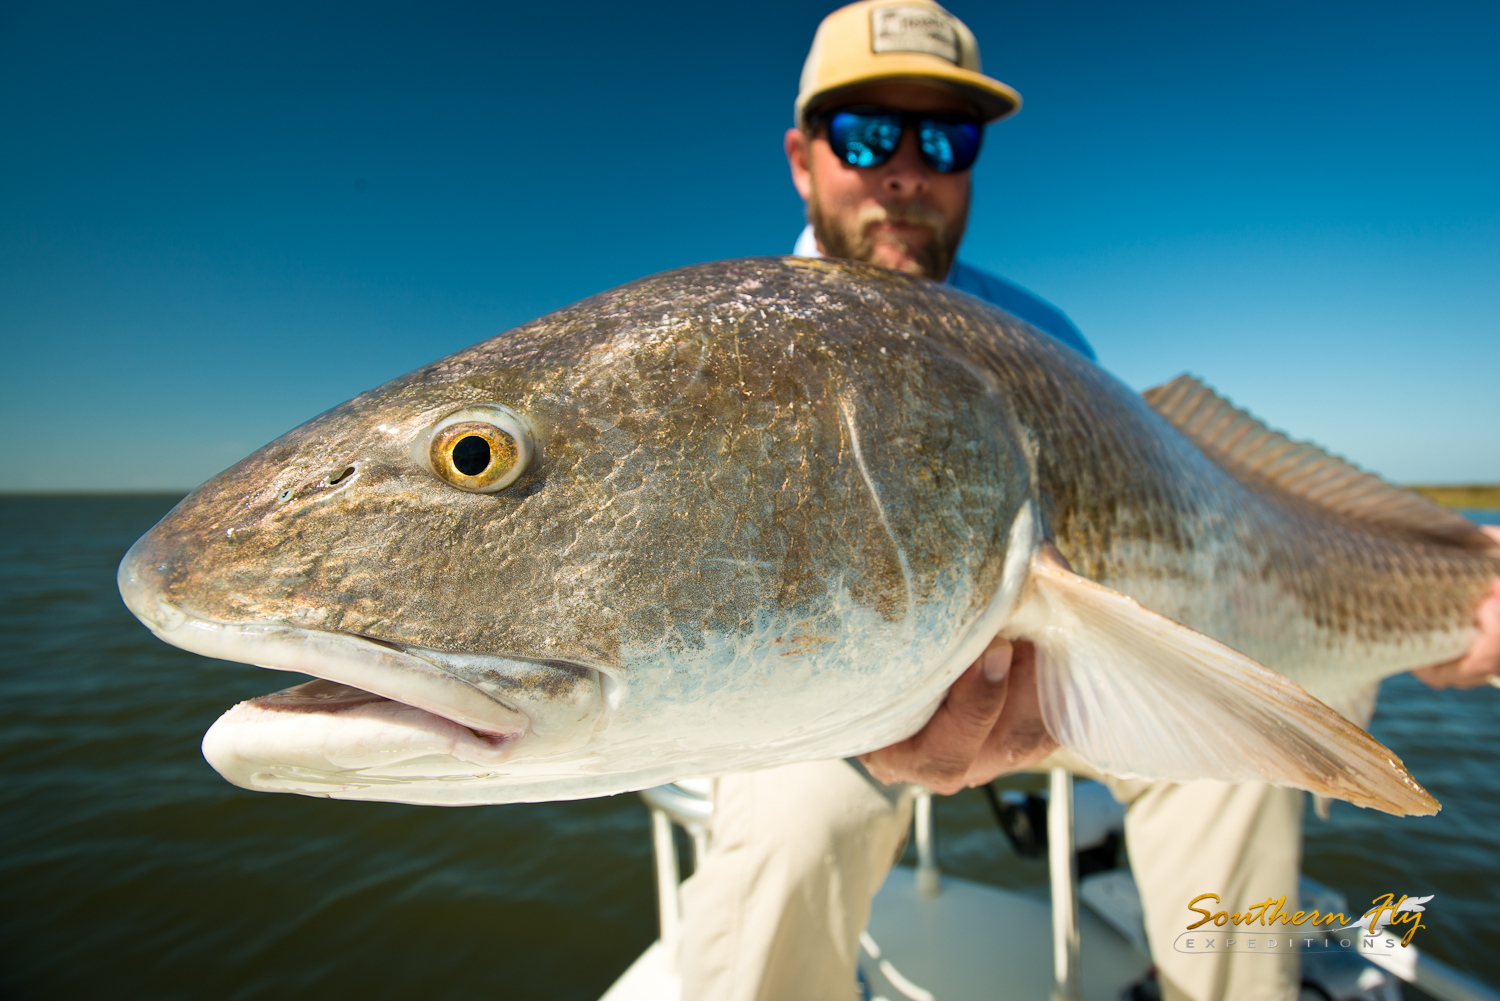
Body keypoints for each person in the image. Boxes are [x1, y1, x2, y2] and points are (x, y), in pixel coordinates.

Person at [676, 4, 1500, 1000]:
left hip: (1074, 678)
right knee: (786, 833)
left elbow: (1160, 530)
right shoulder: (732, 349)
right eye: (864, 134)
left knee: (1233, 774)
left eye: (944, 137)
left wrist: (1438, 593)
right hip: (826, 716)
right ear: (803, 157)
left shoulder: (1041, 330)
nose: (905, 169)